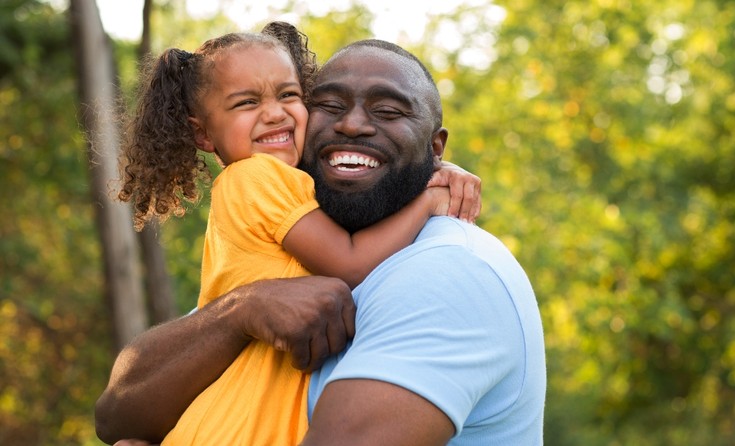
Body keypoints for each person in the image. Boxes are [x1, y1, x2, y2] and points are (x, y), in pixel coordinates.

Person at [96, 33, 545, 446]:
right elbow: (117, 415)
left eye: (388, 112)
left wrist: (428, 191)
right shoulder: (283, 253)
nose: (351, 125)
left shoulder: (448, 272)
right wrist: (242, 309)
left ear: (435, 148)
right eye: (328, 106)